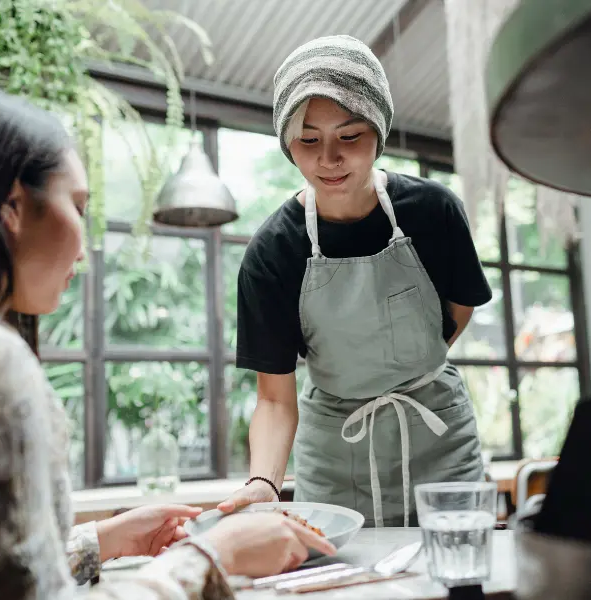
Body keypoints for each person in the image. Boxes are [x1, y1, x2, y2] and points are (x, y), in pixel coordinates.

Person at [0, 83, 334, 600]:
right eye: (76, 204)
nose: (86, 242)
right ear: (12, 208)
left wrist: (101, 540)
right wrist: (210, 556)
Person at [218, 35, 493, 528]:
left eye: (349, 136)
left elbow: (457, 313)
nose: (329, 158)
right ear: (287, 143)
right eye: (308, 140)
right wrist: (263, 483)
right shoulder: (272, 253)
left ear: (379, 131)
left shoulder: (434, 213)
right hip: (335, 452)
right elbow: (275, 399)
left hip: (439, 439)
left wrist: (404, 368)